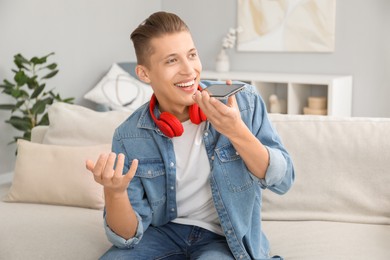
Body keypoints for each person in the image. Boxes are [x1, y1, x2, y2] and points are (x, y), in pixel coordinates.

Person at [86, 11, 294, 260]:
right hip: (162, 234)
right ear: (144, 74)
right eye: (172, 61)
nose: (189, 70)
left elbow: (283, 180)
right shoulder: (129, 136)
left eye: (192, 55)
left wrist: (236, 131)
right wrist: (115, 194)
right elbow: (127, 236)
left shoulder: (243, 102)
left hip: (225, 238)